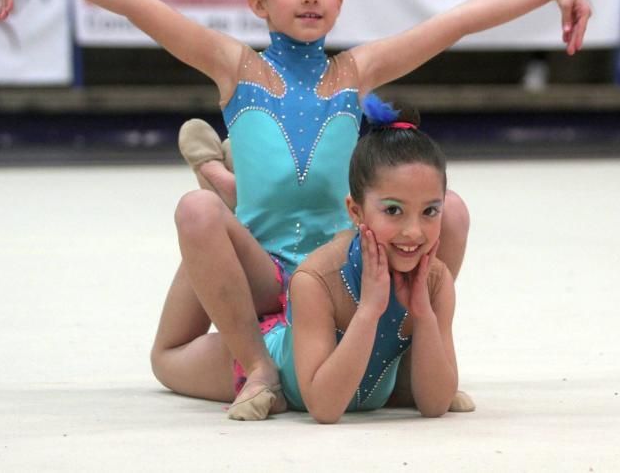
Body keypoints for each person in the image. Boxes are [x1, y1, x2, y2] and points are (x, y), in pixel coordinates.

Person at [0, 0, 591, 420]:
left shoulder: (355, 72)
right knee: (194, 224)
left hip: (342, 273)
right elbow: (135, 5)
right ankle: (260, 369)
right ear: (258, 3)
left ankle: (403, 353)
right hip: (264, 273)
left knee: (451, 209)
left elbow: (455, 24)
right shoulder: (236, 68)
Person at [170, 95, 460, 421]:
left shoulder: (434, 281)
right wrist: (368, 311)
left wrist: (423, 313)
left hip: (303, 310)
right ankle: (223, 195)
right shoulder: (317, 279)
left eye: (430, 211)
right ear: (354, 210)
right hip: (276, 353)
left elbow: (435, 406)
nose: (413, 231)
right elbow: (324, 409)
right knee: (167, 358)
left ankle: (239, 195)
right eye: (393, 210)